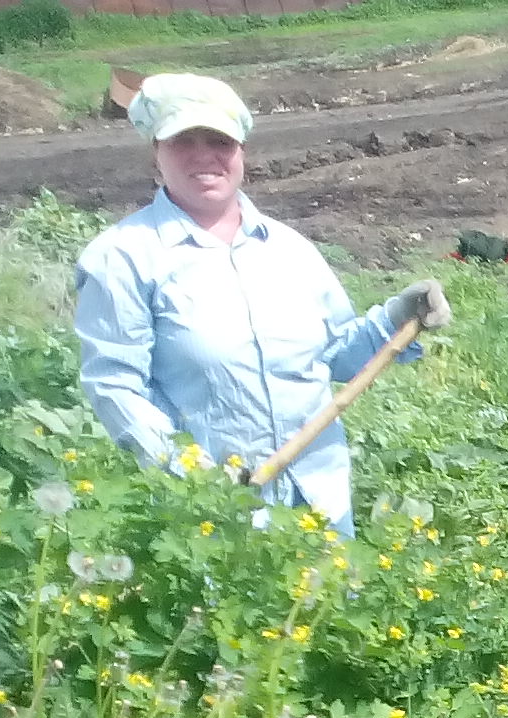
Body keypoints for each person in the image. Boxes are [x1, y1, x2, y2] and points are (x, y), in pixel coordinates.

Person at [73, 74, 450, 539]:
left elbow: (338, 354)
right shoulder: (123, 258)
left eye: (219, 140)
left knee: (331, 612)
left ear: (241, 151)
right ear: (156, 151)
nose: (203, 154)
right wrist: (191, 472)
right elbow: (116, 384)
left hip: (319, 502)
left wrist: (396, 317)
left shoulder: (287, 249)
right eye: (182, 140)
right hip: (213, 517)